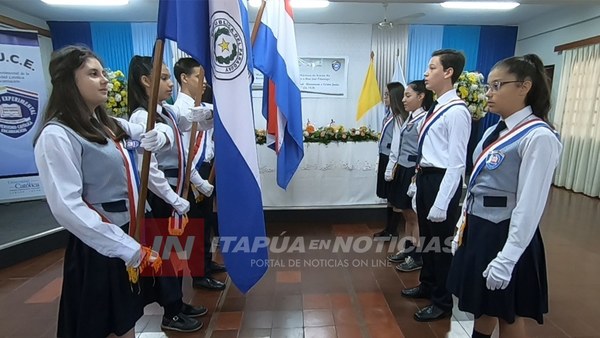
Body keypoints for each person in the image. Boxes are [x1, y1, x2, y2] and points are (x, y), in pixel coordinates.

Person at [33, 45, 168, 338]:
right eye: (93, 74)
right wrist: (126, 248)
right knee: (100, 324)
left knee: (126, 317)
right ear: (68, 81)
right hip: (100, 243)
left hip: (127, 234)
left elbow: (136, 138)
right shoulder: (57, 135)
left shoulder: (105, 124)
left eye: (103, 73)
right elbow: (67, 207)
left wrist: (155, 137)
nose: (104, 80)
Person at [447, 54, 562, 338]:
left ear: (524, 87)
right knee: (481, 306)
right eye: (488, 86)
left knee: (507, 313)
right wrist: (462, 227)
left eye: (498, 85)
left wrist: (508, 258)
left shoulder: (538, 137)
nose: (489, 93)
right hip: (480, 229)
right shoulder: (493, 132)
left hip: (506, 233)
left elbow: (530, 205)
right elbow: (476, 185)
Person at [127, 55, 213, 333]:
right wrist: (173, 199)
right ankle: (170, 312)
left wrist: (207, 115)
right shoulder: (143, 115)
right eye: (164, 78)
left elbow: (188, 127)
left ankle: (178, 303)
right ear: (145, 81)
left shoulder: (165, 111)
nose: (169, 84)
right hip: (162, 195)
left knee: (177, 254)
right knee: (166, 256)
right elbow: (149, 170)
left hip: (175, 191)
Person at [401, 49, 471, 322]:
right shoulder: (438, 106)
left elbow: (456, 163)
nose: (426, 73)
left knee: (440, 245)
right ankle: (428, 285)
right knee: (429, 240)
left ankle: (442, 302)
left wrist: (442, 201)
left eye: (432, 68)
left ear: (448, 72)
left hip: (443, 180)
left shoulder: (456, 111)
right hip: (428, 178)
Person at [172, 57, 226, 291]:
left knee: (204, 222)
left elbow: (218, 113)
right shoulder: (179, 110)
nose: (203, 82)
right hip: (192, 173)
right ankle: (198, 273)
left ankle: (205, 262)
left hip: (206, 168)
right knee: (194, 225)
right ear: (184, 78)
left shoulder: (201, 107)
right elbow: (183, 154)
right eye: (198, 77)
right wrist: (199, 182)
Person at [385, 80, 434, 273]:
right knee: (406, 213)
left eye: (408, 95)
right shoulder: (411, 117)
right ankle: (408, 249)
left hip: (414, 170)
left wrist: (415, 176)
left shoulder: (424, 119)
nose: (403, 100)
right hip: (403, 168)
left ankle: (417, 255)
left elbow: (425, 150)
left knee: (414, 216)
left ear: (421, 96)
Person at [373, 82, 406, 241]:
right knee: (388, 196)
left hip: (393, 159)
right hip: (385, 156)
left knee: (394, 196)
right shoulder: (389, 114)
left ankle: (393, 231)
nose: (384, 98)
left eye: (387, 95)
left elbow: (397, 144)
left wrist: (391, 166)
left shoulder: (399, 118)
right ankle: (388, 229)